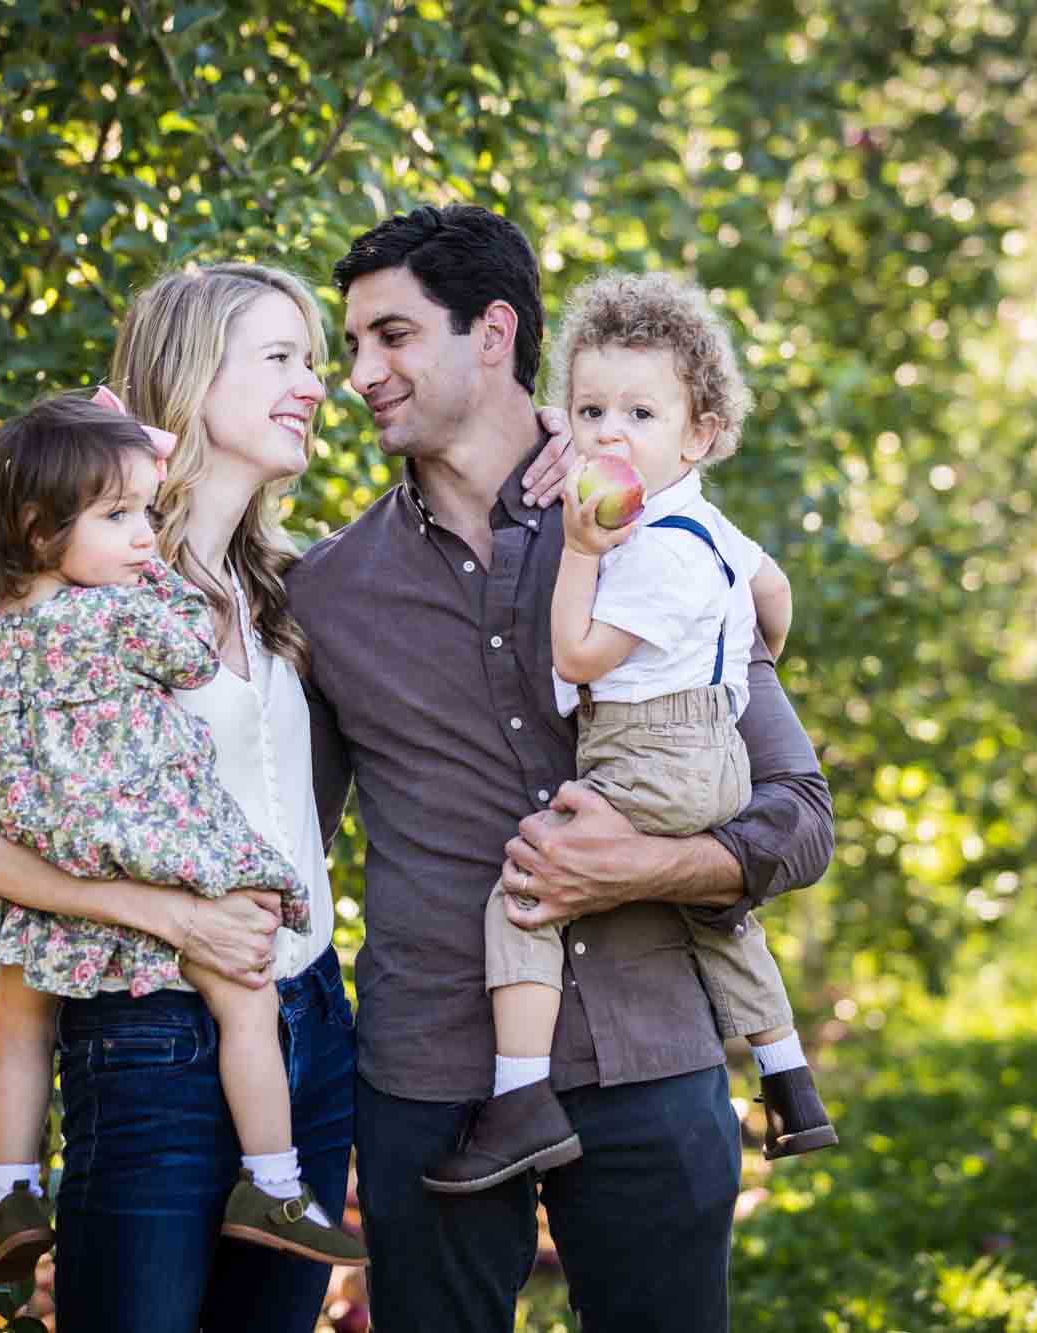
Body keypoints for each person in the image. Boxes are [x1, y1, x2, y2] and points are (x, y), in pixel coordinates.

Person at [0, 262, 577, 1330]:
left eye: (313, 358)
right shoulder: (82, 592)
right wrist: (164, 913)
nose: (317, 383)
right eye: (281, 358)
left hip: (308, 1027)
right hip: (148, 1034)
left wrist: (579, 448)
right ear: (191, 377)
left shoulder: (286, 590)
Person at [294, 205, 834, 1330]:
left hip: (651, 1051)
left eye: (389, 336)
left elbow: (797, 813)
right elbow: (283, 848)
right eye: (351, 346)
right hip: (430, 1075)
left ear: (491, 333)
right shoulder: (328, 593)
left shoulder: (663, 535)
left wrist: (642, 864)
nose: (360, 373)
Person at [0, 388, 368, 1287]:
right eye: (120, 515)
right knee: (244, 997)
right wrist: (163, 583)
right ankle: (275, 1182)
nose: (141, 533)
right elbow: (188, 654)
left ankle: (9, 1190)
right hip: (152, 861)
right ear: (40, 529)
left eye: (144, 511)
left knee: (20, 1022)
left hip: (45, 855)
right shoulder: (117, 609)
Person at [423, 271, 836, 1199]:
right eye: (590, 408)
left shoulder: (645, 548)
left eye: (640, 414)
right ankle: (789, 1078)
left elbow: (575, 656)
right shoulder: (714, 528)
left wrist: (578, 551)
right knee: (720, 914)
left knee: (525, 888)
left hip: (649, 748)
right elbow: (773, 596)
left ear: (700, 434)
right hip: (712, 747)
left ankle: (519, 1097)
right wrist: (733, 663)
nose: (609, 432)